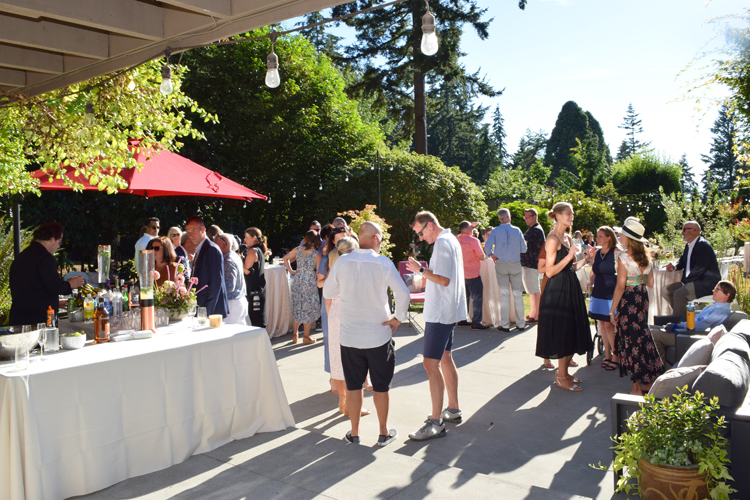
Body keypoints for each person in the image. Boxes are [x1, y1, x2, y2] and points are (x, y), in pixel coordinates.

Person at [323, 221, 409, 446]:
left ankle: (354, 432)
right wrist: (398, 318)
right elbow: (403, 293)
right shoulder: (383, 262)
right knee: (381, 386)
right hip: (378, 334)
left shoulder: (342, 262)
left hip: (350, 335)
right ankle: (383, 432)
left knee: (353, 386)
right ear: (376, 238)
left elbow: (328, 290)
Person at [406, 211, 467, 441]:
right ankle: (452, 409)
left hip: (440, 313)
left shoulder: (442, 243)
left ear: (430, 225)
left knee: (430, 365)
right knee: (445, 358)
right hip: (447, 310)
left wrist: (420, 270)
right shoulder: (451, 239)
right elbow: (445, 278)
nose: (421, 238)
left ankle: (436, 422)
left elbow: (443, 280)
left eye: (421, 232)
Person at [535, 202, 592, 392]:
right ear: (558, 216)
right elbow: (549, 271)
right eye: (568, 213)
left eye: (572, 213)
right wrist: (569, 256)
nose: (571, 217)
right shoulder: (552, 239)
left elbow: (571, 267)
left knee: (571, 330)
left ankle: (565, 373)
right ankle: (560, 377)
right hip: (558, 290)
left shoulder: (567, 237)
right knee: (563, 332)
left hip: (570, 287)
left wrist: (587, 259)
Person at [610, 218, 662, 396]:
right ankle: (649, 380)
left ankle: (636, 388)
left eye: (622, 234)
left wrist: (612, 310)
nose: (619, 236)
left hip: (629, 300)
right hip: (642, 299)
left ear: (628, 238)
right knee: (642, 338)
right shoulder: (647, 258)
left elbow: (620, 286)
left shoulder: (623, 257)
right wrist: (638, 277)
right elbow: (650, 283)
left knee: (631, 342)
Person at [325, 236, 371, 417]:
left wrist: (332, 317)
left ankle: (343, 400)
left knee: (337, 359)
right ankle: (354, 405)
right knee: (356, 360)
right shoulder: (356, 268)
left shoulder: (334, 268)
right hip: (353, 314)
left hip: (335, 314)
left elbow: (327, 298)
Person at [10, 222, 85, 325]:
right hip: (37, 319)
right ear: (51, 239)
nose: (58, 246)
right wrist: (69, 284)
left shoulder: (22, 256)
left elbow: (31, 289)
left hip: (19, 315)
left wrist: (53, 302)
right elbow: (54, 286)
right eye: (59, 241)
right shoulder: (45, 257)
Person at [649, 280, 736, 368]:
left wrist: (681, 325)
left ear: (727, 295)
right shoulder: (711, 307)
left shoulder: (721, 312)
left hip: (690, 336)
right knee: (648, 328)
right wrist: (681, 324)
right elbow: (696, 319)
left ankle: (659, 369)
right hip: (686, 330)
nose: (713, 291)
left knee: (653, 333)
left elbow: (701, 325)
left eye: (717, 289)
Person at [663, 221, 721, 317]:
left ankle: (679, 322)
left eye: (684, 230)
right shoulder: (689, 245)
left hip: (705, 284)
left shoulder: (703, 245)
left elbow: (699, 269)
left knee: (679, 294)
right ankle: (684, 317)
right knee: (666, 291)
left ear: (693, 230)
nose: (682, 233)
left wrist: (685, 283)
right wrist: (674, 266)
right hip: (693, 282)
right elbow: (682, 261)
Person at [483, 208, 527, 332]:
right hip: (515, 263)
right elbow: (524, 249)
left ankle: (505, 324)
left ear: (499, 219)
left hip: (501, 264)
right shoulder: (517, 230)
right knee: (518, 294)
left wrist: (491, 254)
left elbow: (487, 246)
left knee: (505, 295)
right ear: (509, 217)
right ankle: (520, 323)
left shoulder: (495, 231)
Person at [586, 226, 620, 371]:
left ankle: (616, 356)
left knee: (609, 324)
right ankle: (607, 355)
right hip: (598, 290)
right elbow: (594, 271)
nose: (597, 238)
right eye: (597, 236)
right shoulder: (598, 253)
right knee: (602, 323)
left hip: (611, 291)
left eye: (600, 236)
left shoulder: (617, 252)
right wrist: (590, 281)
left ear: (608, 238)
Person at [185, 216, 229, 318]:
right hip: (202, 309)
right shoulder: (201, 249)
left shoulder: (211, 249)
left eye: (193, 231)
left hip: (210, 312)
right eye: (188, 232)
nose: (190, 235)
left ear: (203, 229)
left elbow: (215, 284)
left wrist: (207, 313)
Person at [284, 230, 322, 344]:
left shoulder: (298, 250)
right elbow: (319, 272)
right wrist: (313, 274)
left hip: (298, 280)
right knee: (307, 308)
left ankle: (295, 334)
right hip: (309, 282)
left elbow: (285, 258)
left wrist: (291, 270)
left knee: (298, 305)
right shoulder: (316, 255)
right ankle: (306, 336)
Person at [456, 221, 489, 329]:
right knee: (477, 298)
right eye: (470, 227)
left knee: (463, 297)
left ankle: (461, 319)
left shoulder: (456, 239)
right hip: (473, 273)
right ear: (468, 228)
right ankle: (476, 321)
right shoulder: (473, 240)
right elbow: (481, 257)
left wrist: (470, 224)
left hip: (460, 273)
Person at [215, 233, 249, 325]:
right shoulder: (234, 256)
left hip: (232, 304)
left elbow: (230, 286)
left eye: (216, 245)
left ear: (223, 246)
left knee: (230, 332)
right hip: (239, 301)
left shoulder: (228, 260)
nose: (214, 248)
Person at [521, 208, 545, 324]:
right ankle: (533, 314)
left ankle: (536, 316)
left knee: (534, 290)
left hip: (531, 263)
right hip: (530, 263)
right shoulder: (534, 229)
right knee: (532, 290)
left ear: (534, 216)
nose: (526, 219)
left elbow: (522, 242)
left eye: (527, 217)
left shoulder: (535, 230)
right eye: (525, 217)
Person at [243, 227, 267, 327]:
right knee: (259, 316)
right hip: (259, 288)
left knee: (255, 319)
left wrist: (239, 259)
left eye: (246, 237)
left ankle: (259, 336)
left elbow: (246, 271)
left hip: (253, 290)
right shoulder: (260, 249)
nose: (244, 240)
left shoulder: (253, 251)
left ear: (254, 237)